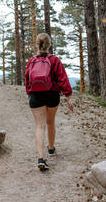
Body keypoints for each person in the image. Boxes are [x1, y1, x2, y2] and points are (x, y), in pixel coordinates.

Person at [25, 33, 73, 171]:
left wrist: (30, 93)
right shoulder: (54, 60)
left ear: (37, 44)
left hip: (36, 95)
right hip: (52, 94)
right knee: (50, 122)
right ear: (49, 45)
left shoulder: (31, 60)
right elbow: (62, 79)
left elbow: (27, 78)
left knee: (40, 126)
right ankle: (51, 149)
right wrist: (68, 96)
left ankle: (41, 158)